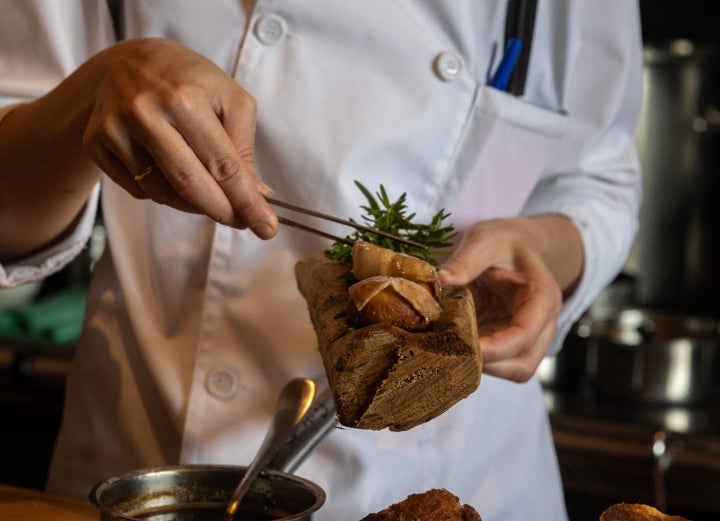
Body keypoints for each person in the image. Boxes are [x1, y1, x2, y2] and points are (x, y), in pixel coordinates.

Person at [0, 1, 643, 519]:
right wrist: (92, 92)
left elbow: (597, 181)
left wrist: (547, 251)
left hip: (451, 481)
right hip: (150, 465)